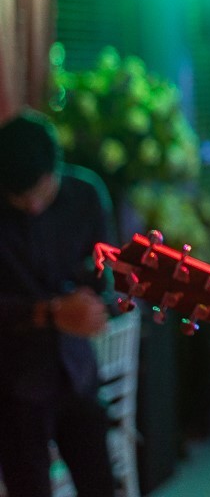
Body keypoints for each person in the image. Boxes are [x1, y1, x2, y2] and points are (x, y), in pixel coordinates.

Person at [0, 112, 116, 497]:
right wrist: (48, 312)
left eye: (41, 192)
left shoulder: (85, 196)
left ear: (57, 169)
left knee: (98, 483)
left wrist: (90, 305)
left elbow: (104, 278)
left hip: (76, 368)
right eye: (20, 198)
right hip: (14, 380)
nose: (33, 206)